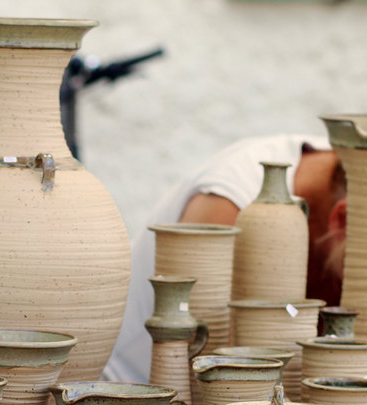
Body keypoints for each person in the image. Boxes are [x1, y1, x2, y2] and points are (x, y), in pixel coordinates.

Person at [105, 134, 348, 384]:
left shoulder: (351, 166)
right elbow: (215, 373)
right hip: (129, 385)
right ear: (341, 221)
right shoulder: (231, 201)